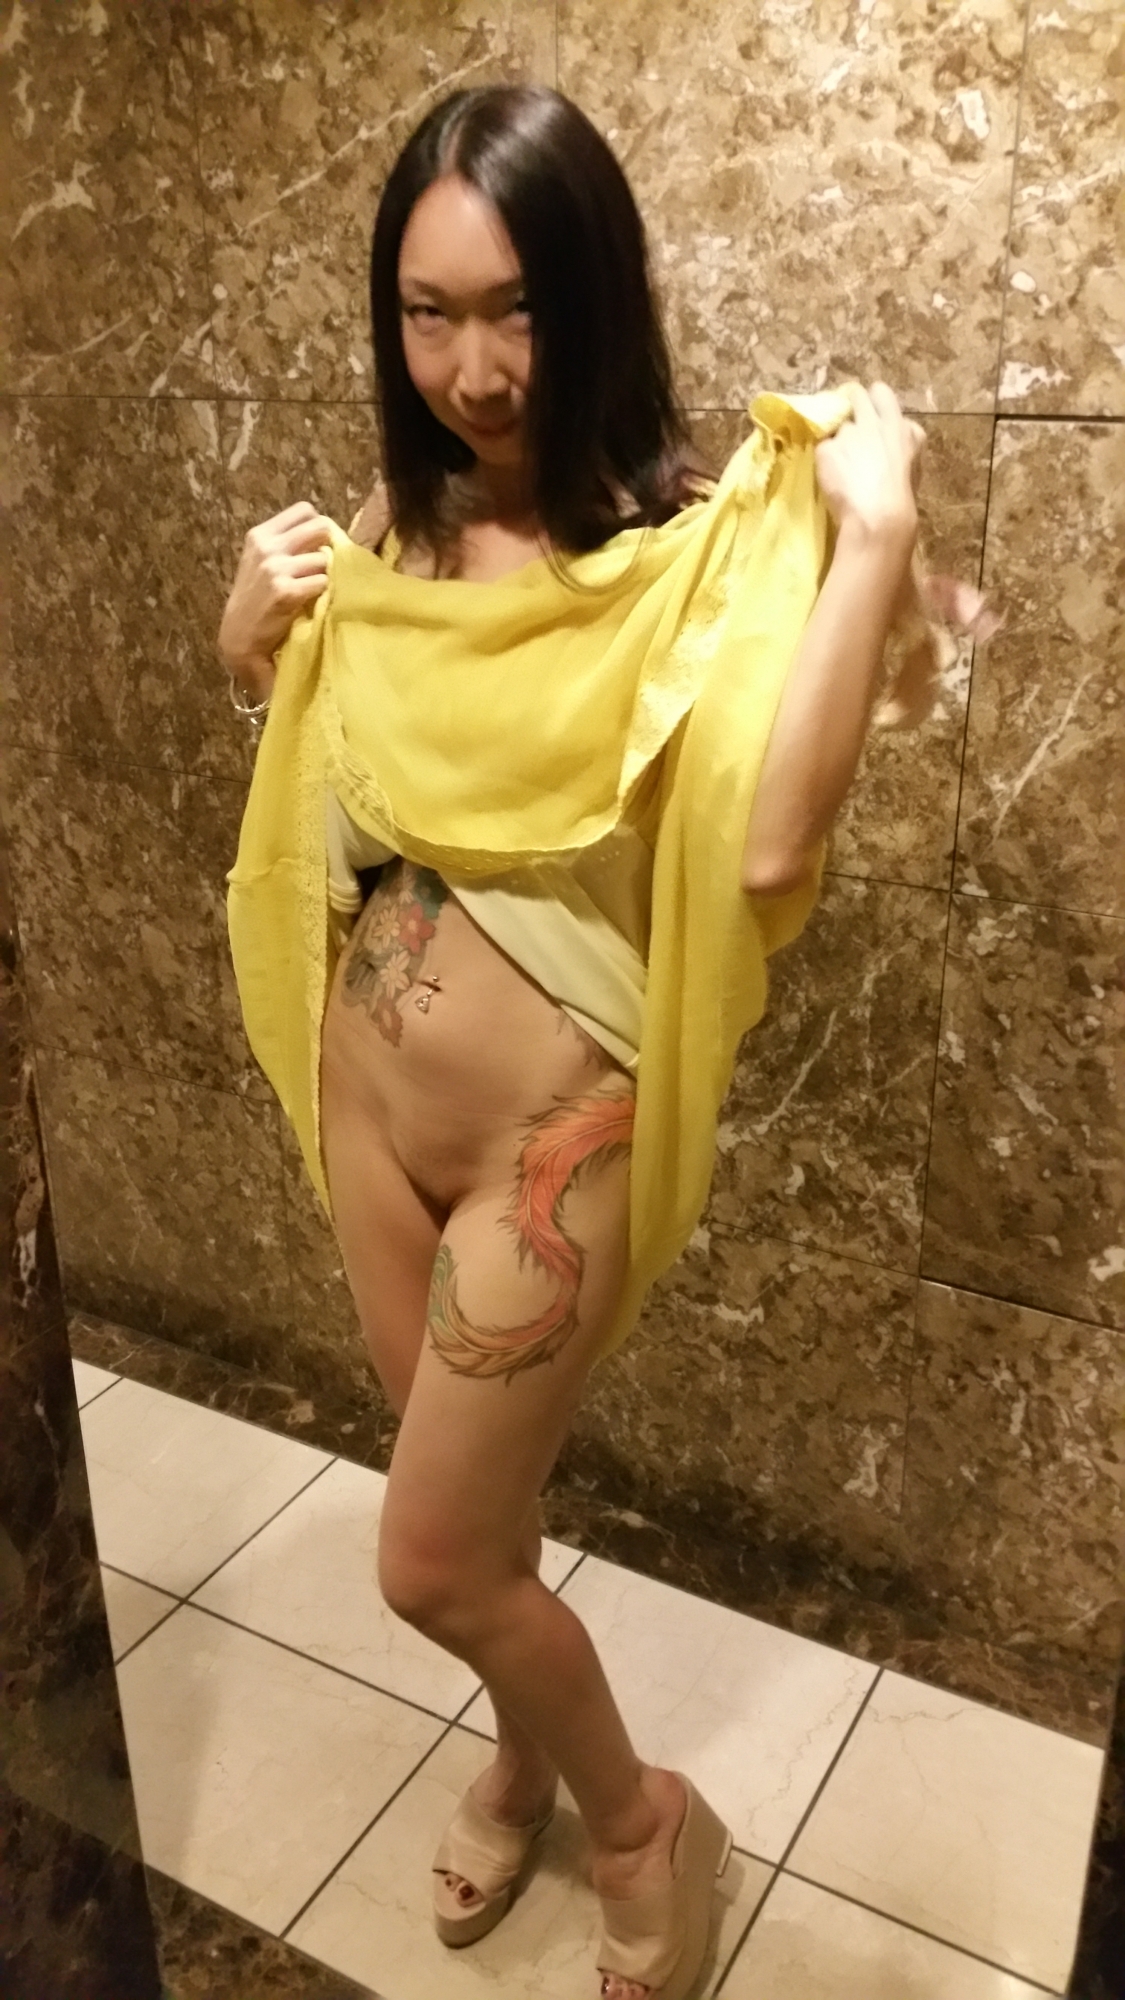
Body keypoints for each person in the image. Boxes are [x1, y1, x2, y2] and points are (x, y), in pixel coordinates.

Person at [218, 83, 937, 2000]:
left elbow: (767, 847)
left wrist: (872, 537)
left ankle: (636, 1820)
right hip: (369, 1109)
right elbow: (352, 793)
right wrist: (246, 649)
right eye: (427, 312)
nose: (470, 369)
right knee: (484, 1517)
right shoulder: (411, 515)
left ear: (595, 293)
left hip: (546, 1150)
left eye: (516, 309)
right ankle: (519, 1753)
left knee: (429, 1560)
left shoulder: (697, 546)